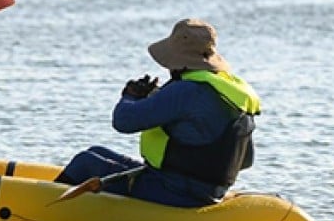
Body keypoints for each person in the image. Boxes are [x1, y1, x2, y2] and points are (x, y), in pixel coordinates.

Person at [55, 18, 262, 207]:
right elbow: (246, 161)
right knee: (96, 151)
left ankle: (45, 211)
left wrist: (131, 95)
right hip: (210, 191)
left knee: (85, 162)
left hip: (177, 193)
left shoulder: (185, 90)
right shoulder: (232, 93)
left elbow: (123, 121)